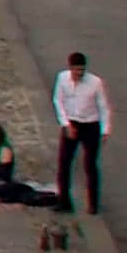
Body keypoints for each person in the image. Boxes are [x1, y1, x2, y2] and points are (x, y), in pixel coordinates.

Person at [53, 51, 111, 214]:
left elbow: (103, 106)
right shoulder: (62, 78)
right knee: (64, 163)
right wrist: (66, 124)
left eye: (81, 70)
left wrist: (105, 129)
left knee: (90, 165)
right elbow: (59, 101)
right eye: (76, 70)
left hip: (91, 124)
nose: (79, 73)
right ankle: (64, 201)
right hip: (72, 122)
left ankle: (93, 203)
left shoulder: (95, 83)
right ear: (70, 68)